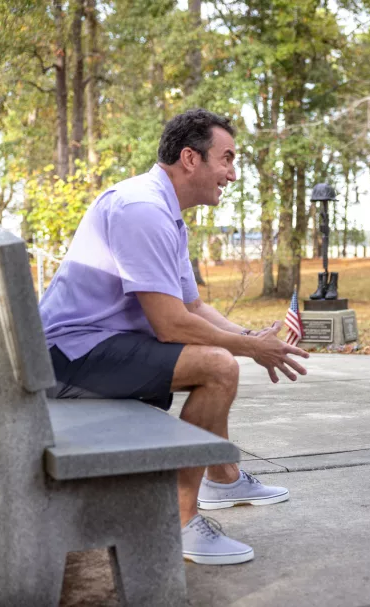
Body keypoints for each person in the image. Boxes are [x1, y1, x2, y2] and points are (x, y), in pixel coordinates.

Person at [39, 109, 309, 566]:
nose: (232, 173)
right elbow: (170, 325)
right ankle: (179, 523)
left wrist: (248, 337)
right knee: (216, 367)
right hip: (68, 356)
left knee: (216, 360)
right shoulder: (141, 209)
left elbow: (193, 307)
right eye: (226, 159)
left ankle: (223, 478)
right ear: (190, 158)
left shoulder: (164, 211)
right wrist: (247, 348)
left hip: (93, 347)